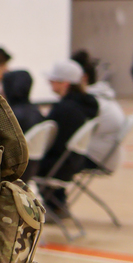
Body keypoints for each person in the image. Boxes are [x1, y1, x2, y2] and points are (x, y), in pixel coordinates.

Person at [37, 59, 99, 211]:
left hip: (58, 167)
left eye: (53, 80)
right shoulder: (87, 105)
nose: (49, 82)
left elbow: (49, 144)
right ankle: (58, 204)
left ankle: (52, 206)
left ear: (65, 83)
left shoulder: (65, 110)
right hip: (73, 163)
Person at [72, 53, 125, 167]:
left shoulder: (90, 101)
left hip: (96, 158)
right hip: (108, 157)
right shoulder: (103, 94)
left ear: (83, 77)